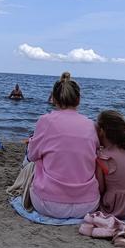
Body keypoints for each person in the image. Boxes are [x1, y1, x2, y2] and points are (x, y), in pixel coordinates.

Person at [27, 72, 99, 219]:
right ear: (78, 99)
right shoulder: (91, 125)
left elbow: (31, 156)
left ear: (54, 99)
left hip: (48, 203)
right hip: (88, 204)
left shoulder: (45, 121)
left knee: (36, 156)